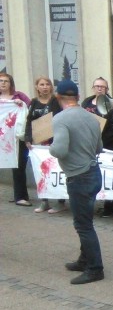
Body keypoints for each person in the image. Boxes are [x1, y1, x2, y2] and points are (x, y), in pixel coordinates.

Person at [49, 80, 105, 285]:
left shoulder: (60, 119)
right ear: (78, 97)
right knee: (85, 220)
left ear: (58, 97)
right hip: (93, 172)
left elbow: (60, 150)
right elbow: (99, 147)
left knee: (83, 225)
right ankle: (84, 259)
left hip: (79, 176)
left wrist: (50, 147)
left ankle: (95, 268)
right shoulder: (91, 118)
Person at [81, 77, 113, 218]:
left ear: (107, 89)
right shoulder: (87, 102)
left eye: (103, 86)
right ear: (93, 88)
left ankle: (111, 206)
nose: (100, 88)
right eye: (97, 86)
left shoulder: (111, 103)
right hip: (89, 144)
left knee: (108, 175)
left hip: (107, 144)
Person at [25, 76, 64, 213]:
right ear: (37, 87)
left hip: (54, 141)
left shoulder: (56, 101)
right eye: (42, 84)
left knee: (56, 171)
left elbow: (61, 119)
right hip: (38, 145)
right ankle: (44, 201)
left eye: (47, 84)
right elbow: (29, 121)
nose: (45, 87)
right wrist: (28, 138)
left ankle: (60, 201)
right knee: (41, 172)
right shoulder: (33, 102)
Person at [0, 72, 32, 205]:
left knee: (19, 167)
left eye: (6, 81)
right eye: (1, 81)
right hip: (3, 137)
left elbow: (29, 108)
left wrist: (21, 103)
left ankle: (21, 196)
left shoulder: (19, 96)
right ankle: (18, 195)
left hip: (17, 138)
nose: (3, 83)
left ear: (11, 83)